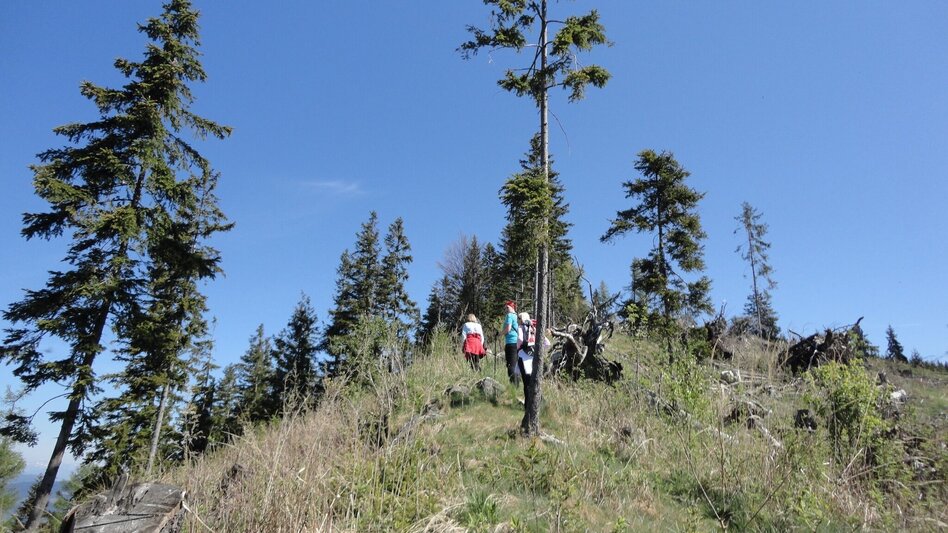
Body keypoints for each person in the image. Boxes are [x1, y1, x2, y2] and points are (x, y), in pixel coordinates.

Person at [502, 300, 520, 384]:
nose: (506, 309)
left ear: (512, 307)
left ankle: (514, 384)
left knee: (511, 364)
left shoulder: (509, 315)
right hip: (518, 342)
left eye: (507, 307)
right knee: (516, 364)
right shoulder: (517, 316)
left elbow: (508, 329)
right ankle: (517, 382)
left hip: (511, 342)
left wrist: (500, 334)